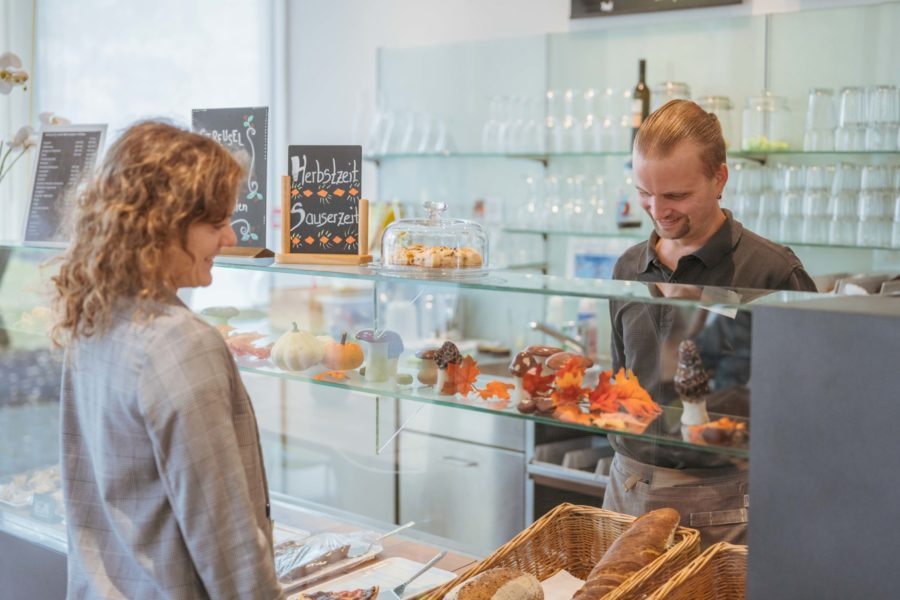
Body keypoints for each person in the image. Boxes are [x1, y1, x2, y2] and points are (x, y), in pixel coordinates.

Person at [51, 121, 285, 599]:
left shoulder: (94, 313)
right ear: (161, 226)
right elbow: (229, 544)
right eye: (216, 223)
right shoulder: (182, 344)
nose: (231, 236)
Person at [602, 100, 817, 546]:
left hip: (728, 507)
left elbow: (812, 404)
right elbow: (621, 383)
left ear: (719, 177)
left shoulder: (770, 273)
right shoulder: (627, 268)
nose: (658, 211)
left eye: (676, 195)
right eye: (645, 191)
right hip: (626, 495)